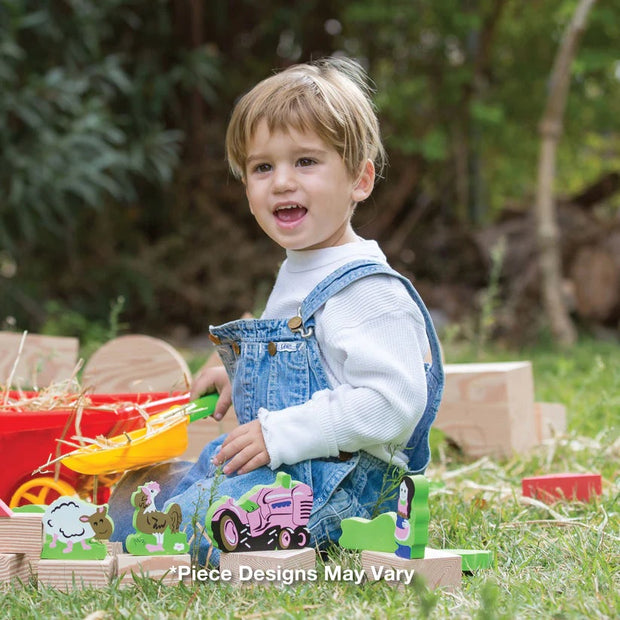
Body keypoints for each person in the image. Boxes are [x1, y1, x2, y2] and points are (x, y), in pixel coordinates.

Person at [108, 57, 444, 566]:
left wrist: (280, 432)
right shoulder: (300, 268)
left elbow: (393, 403)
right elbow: (305, 362)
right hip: (286, 466)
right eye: (263, 167)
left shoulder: (369, 290)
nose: (282, 182)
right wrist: (236, 372)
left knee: (189, 531)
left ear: (360, 180)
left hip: (341, 485)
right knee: (134, 512)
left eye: (306, 162)